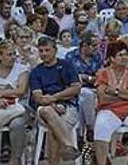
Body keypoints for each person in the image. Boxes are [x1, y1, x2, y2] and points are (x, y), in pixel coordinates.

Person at [30, 36, 81, 165]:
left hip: (68, 107)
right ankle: (68, 145)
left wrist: (54, 97)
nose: (44, 54)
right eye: (41, 51)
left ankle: (64, 148)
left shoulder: (67, 65)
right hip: (45, 109)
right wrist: (53, 105)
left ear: (55, 50)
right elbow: (38, 97)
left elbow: (75, 88)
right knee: (47, 111)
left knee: (54, 131)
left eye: (47, 50)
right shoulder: (36, 72)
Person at [66, 31, 103, 142]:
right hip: (72, 90)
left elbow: (99, 79)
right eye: (94, 45)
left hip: (92, 90)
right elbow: (66, 77)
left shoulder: (98, 57)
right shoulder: (71, 57)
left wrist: (86, 78)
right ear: (84, 46)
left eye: (98, 45)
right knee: (83, 96)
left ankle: (80, 134)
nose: (97, 48)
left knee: (85, 95)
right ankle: (90, 128)